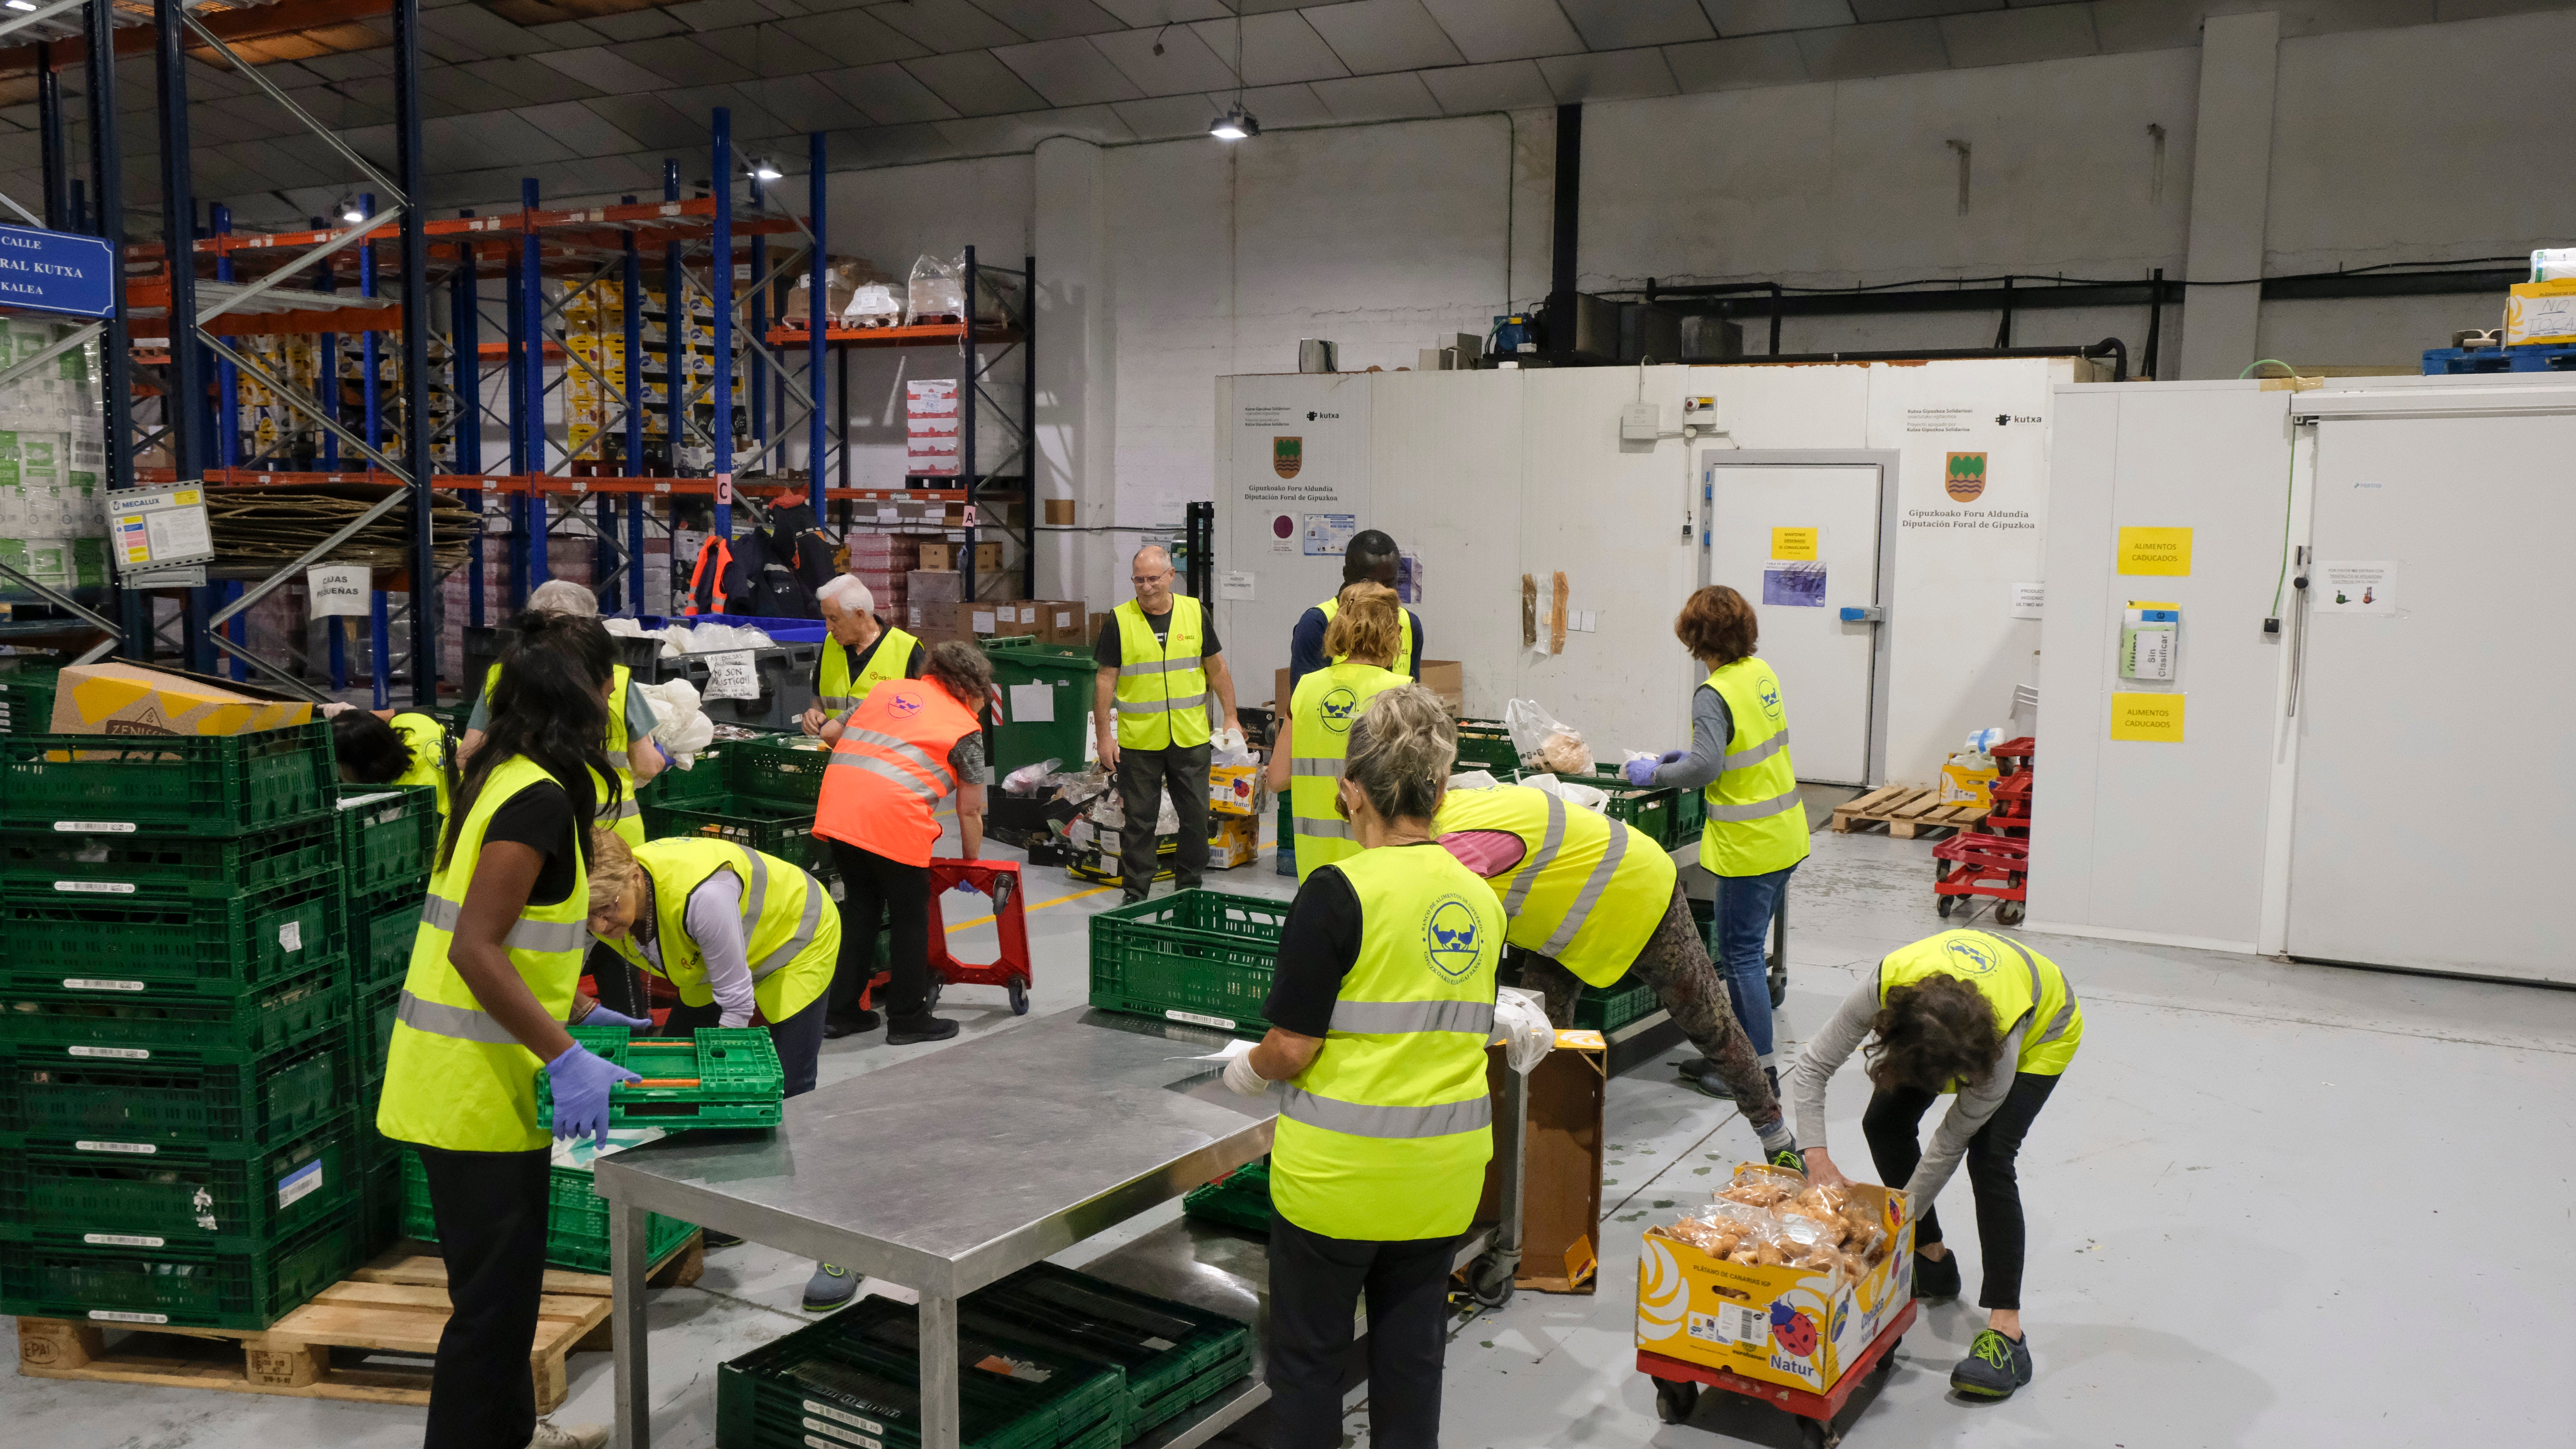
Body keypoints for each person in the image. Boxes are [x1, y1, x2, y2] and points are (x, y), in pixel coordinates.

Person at [376, 614, 641, 1449]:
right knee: (489, 1314)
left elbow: (512, 937)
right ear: (592, 693)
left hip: (473, 1081)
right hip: (472, 1094)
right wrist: (568, 1058)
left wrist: (577, 1012)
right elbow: (475, 948)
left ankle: (516, 1437)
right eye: (608, 683)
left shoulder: (500, 774)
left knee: (507, 1297)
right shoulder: (534, 800)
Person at [1221, 685, 1500, 1449]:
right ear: (1440, 789)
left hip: (1338, 1185)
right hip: (1443, 1181)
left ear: (1352, 791)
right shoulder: (1480, 899)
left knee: (1310, 1364)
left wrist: (1246, 1069)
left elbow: (1292, 1048)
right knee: (1412, 1363)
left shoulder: (1337, 893)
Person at [1431, 778, 1801, 1167]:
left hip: (1635, 888)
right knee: (1541, 1030)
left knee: (1706, 1017)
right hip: (1565, 912)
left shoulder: (1453, 845)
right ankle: (1546, 1153)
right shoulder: (1447, 807)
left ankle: (1778, 1139)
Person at [1786, 928, 2084, 1402]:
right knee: (1884, 1121)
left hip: (2043, 1026)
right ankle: (1932, 1260)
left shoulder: (1998, 1054)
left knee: (1990, 1156)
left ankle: (2007, 1332)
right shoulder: (1884, 986)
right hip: (1942, 1017)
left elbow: (1947, 1145)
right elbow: (1812, 1066)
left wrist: (1890, 1229)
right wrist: (1815, 1156)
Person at [580, 828, 852, 1309]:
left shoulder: (704, 898)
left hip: (793, 942)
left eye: (608, 909)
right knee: (678, 1087)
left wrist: (724, 1085)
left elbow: (736, 1005)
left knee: (788, 1096)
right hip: (715, 961)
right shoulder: (600, 896)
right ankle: (726, 1215)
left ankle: (843, 1246)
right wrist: (582, 1012)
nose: (601, 924)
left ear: (634, 878)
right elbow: (554, 975)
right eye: (591, 915)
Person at [1627, 584, 1808, 1097]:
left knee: (1742, 956)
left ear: (1695, 636)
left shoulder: (1713, 693)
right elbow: (1737, 746)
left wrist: (1656, 774)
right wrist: (1684, 758)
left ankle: (1756, 1075)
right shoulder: (1759, 673)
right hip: (1785, 835)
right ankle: (1743, 1061)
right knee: (1749, 951)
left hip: (1750, 847)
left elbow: (1706, 768)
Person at [813, 640, 994, 1046]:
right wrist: (971, 862)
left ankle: (841, 1013)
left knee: (862, 910)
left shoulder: (886, 691)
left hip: (839, 811)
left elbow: (830, 733)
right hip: (893, 822)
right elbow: (970, 811)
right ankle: (908, 1019)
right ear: (970, 689)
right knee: (910, 920)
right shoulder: (964, 728)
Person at [460, 578, 664, 846]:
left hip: (531, 832)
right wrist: (664, 755)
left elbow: (467, 758)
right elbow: (648, 766)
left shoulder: (502, 676)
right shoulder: (615, 677)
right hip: (613, 836)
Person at [1092, 545, 1241, 904]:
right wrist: (1104, 736)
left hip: (1190, 737)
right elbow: (1105, 680)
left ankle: (1189, 885)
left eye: (1153, 579)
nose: (1146, 587)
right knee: (1139, 821)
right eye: (1138, 580)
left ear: (1171, 576)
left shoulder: (1194, 612)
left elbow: (1216, 668)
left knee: (1196, 817)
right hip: (1140, 741)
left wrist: (1231, 716)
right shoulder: (1120, 620)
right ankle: (1135, 892)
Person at [1267, 582, 1404, 882]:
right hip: (1377, 869)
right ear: (1392, 632)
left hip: (1315, 869)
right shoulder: (1401, 695)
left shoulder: (1305, 689)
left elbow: (1276, 778)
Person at [1288, 529, 1425, 691]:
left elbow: (1413, 695)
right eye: (1369, 583)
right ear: (1346, 575)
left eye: (1389, 584)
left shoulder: (1410, 624)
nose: (1379, 592)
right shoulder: (1318, 623)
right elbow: (1304, 697)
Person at [803, 574, 923, 734]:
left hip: (884, 749)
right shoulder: (831, 643)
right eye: (826, 618)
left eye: (834, 619)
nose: (828, 627)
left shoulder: (908, 649)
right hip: (836, 747)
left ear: (860, 615)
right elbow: (820, 697)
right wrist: (815, 714)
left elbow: (925, 715)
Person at [328, 702, 459, 826]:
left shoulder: (407, 801)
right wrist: (355, 718)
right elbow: (417, 712)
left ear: (358, 767)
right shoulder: (414, 722)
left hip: (456, 819)